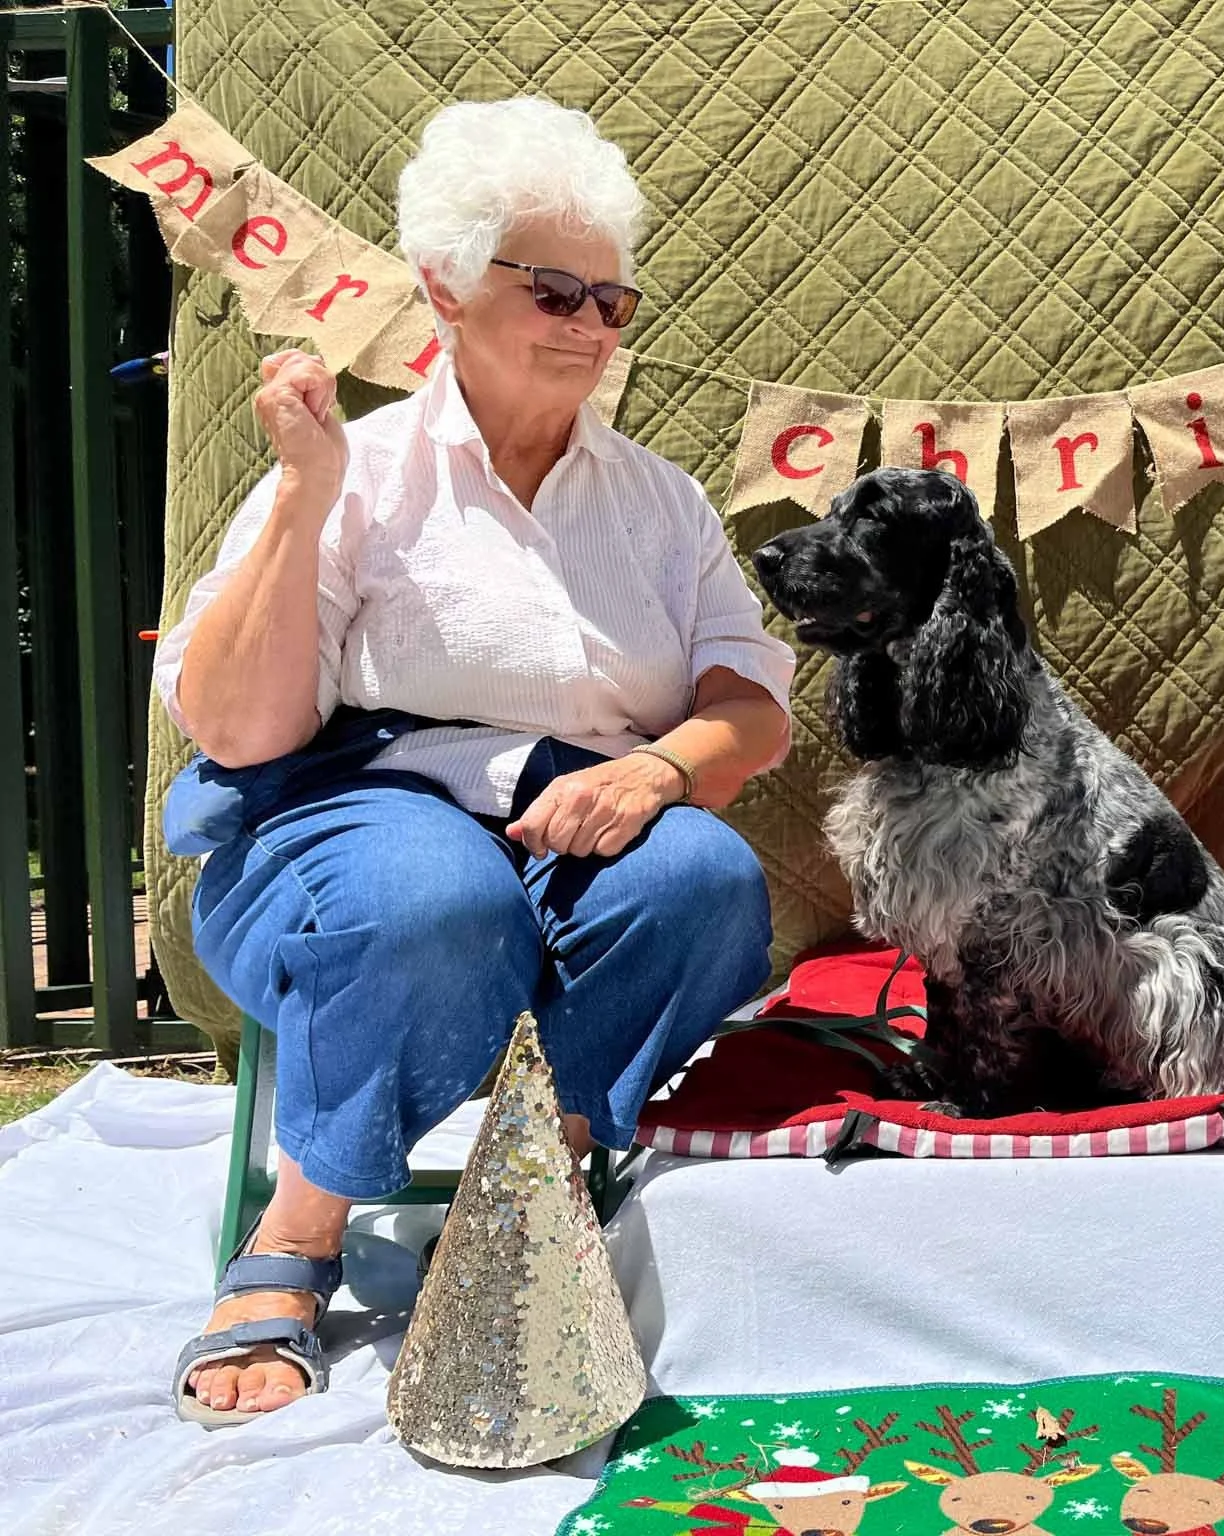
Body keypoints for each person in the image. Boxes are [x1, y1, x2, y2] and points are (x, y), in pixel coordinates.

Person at [158, 97, 795, 1424]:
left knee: (705, 879)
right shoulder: (360, 470)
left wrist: (659, 771)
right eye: (554, 288)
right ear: (447, 288)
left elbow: (751, 704)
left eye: (612, 302)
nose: (588, 324)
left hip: (573, 823)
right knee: (440, 893)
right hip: (344, 825)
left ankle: (523, 1204)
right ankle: (300, 1232)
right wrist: (308, 500)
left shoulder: (661, 504)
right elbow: (238, 731)